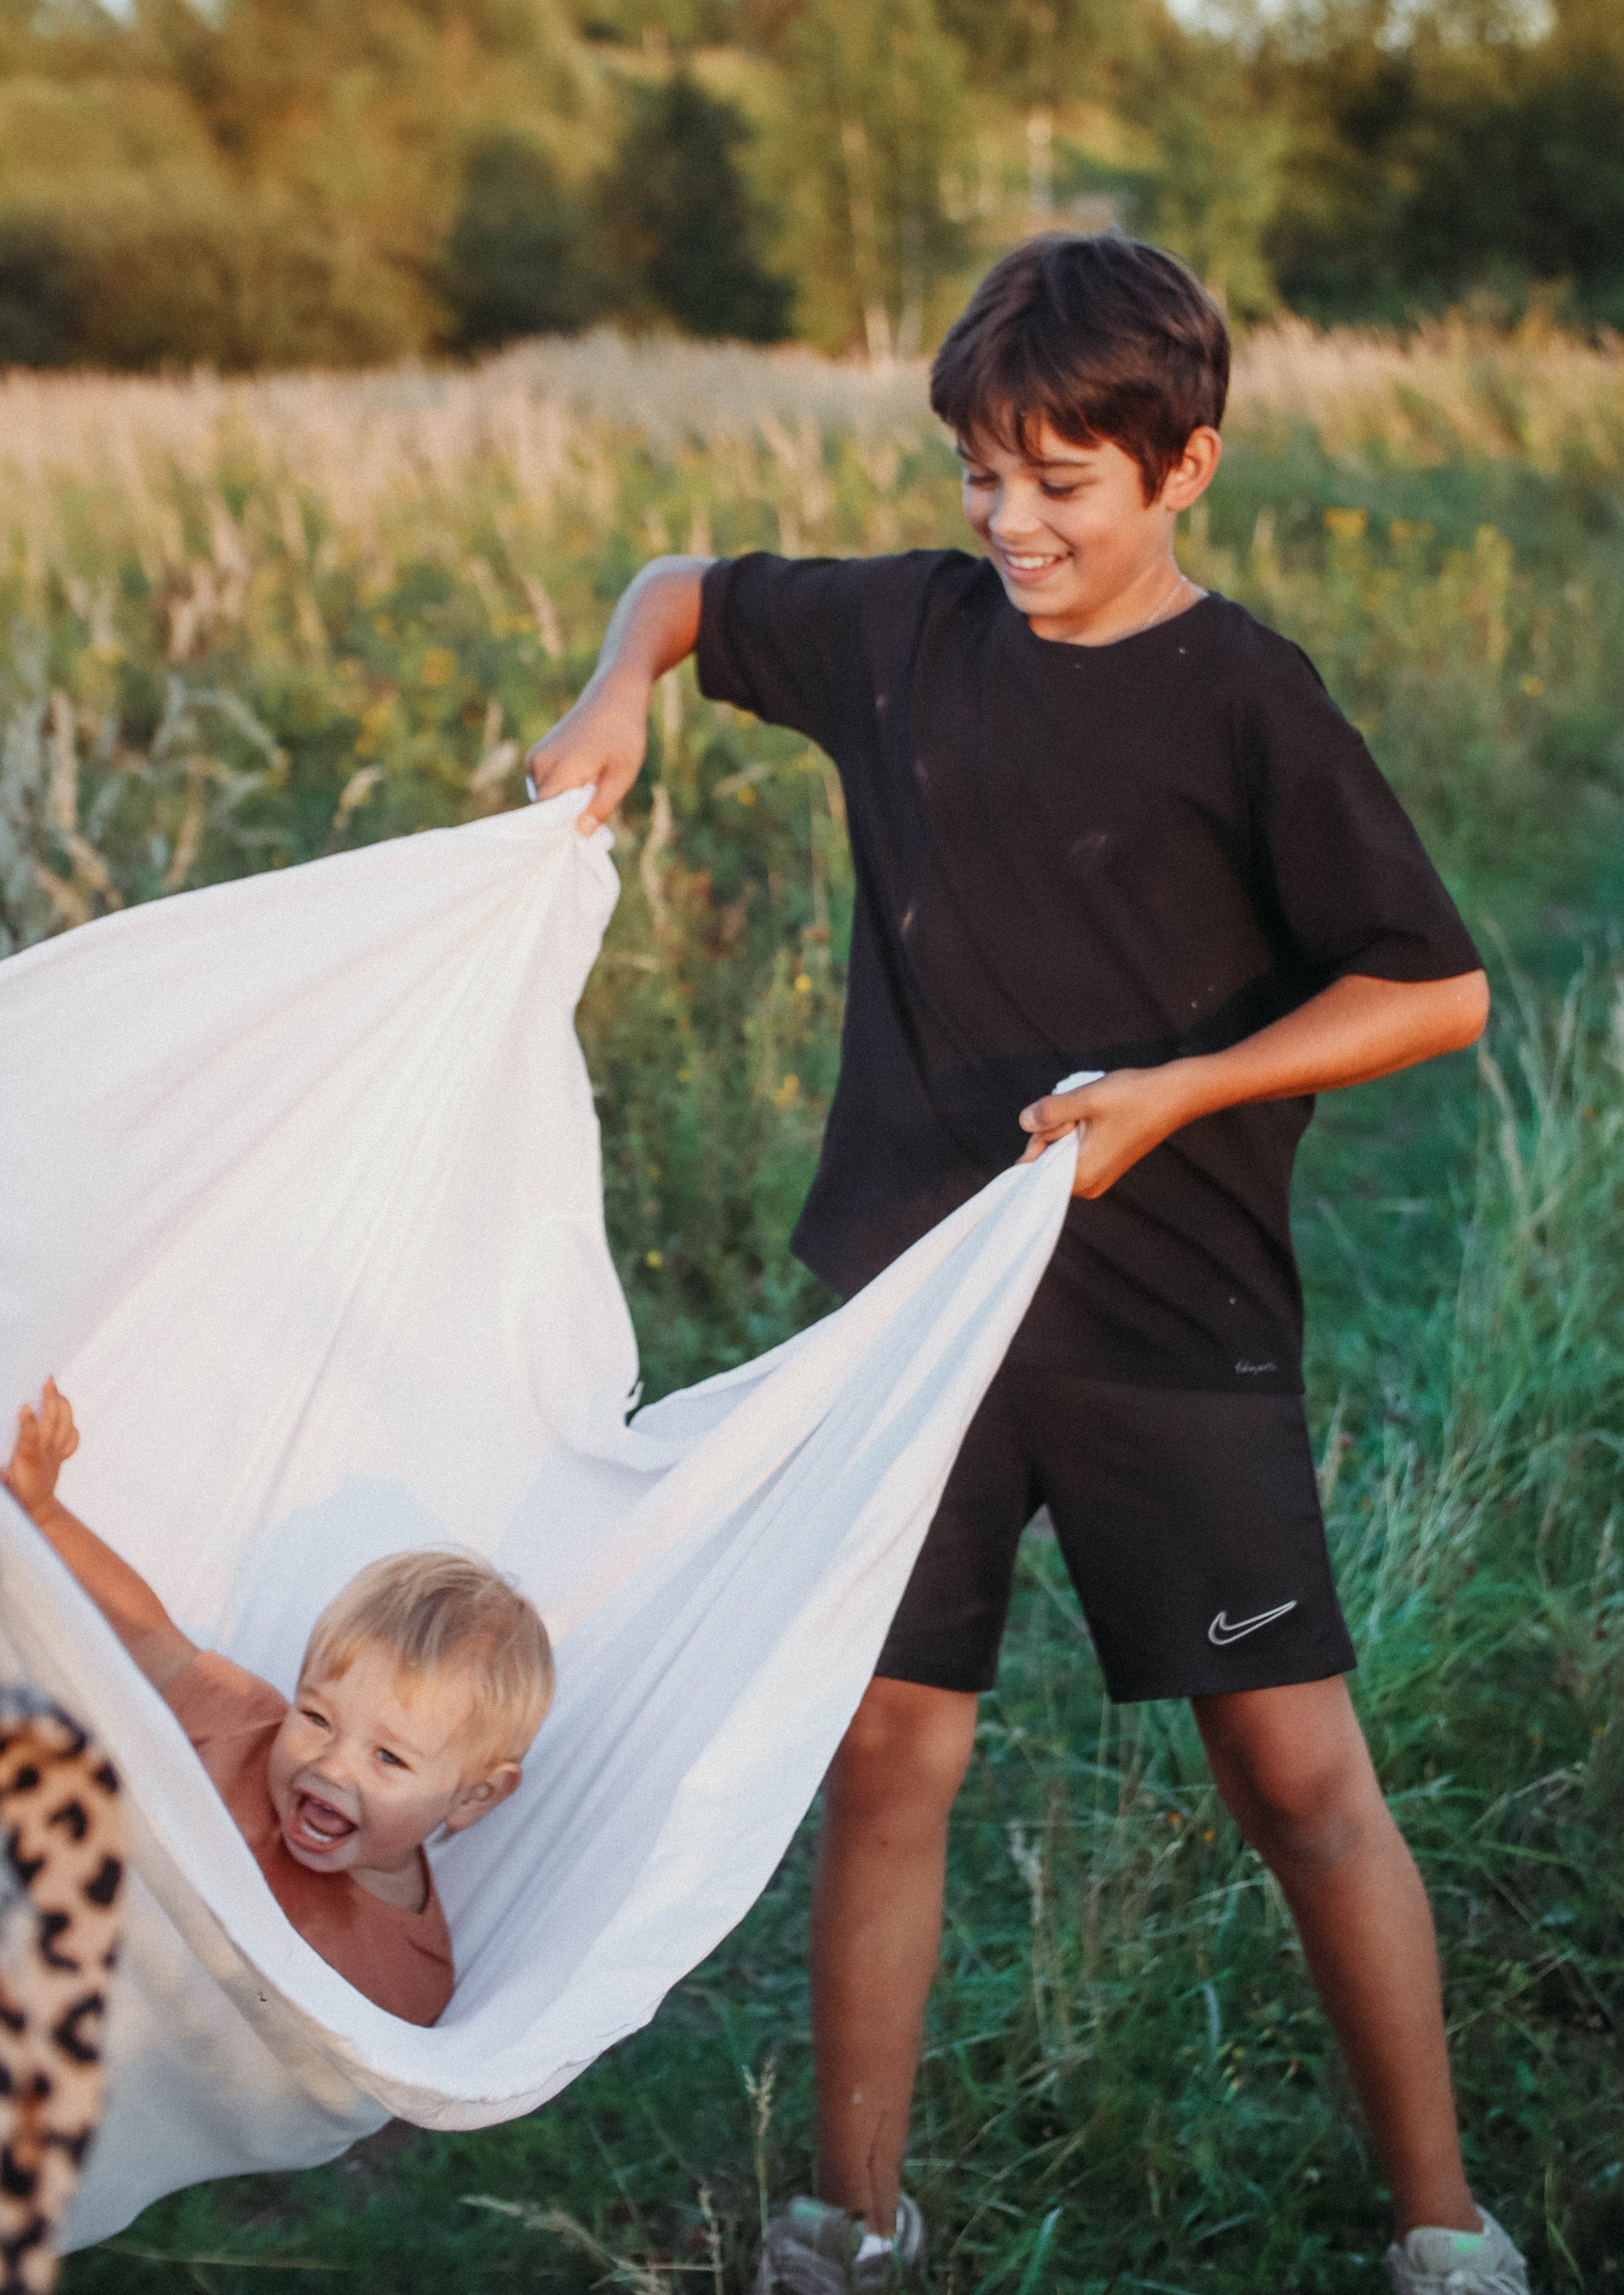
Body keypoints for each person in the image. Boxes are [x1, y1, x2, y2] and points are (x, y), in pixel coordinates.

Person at [525, 233, 1528, 2295]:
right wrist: (618, 683)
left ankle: (1444, 2222)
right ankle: (852, 2220)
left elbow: (1435, 994)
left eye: (1061, 483)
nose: (1009, 523)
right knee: (891, 1748)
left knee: (1294, 1770)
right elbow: (689, 592)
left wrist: (1178, 1091)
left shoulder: (1245, 696)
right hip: (913, 1330)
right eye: (984, 474)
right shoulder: (905, 634)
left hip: (1174, 1325)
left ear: (1186, 471)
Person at [4, 1379, 553, 2026]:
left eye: (388, 1757)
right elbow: (152, 1637)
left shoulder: (404, 1980)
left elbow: (347, 2106)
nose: (331, 1764)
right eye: (317, 1716)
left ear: (473, 1797)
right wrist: (44, 1515)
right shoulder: (247, 1726)